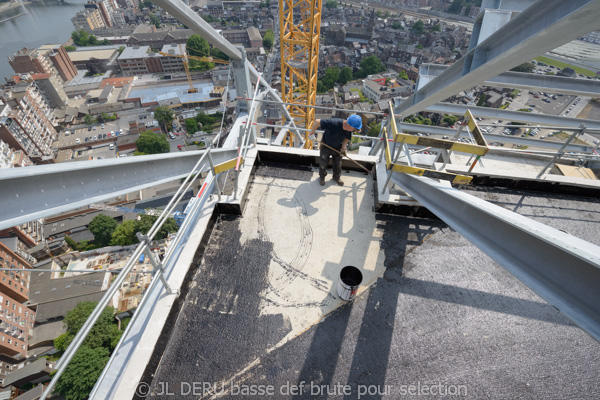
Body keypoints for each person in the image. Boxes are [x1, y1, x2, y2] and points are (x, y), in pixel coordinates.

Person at [309, 114, 362, 186]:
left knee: (338, 164)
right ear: (349, 125)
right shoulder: (334, 123)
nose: (354, 131)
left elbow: (346, 138)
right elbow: (317, 121)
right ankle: (322, 177)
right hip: (326, 145)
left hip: (338, 147)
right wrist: (312, 133)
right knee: (323, 163)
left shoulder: (349, 130)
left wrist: (343, 148)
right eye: (354, 129)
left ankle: (336, 177)